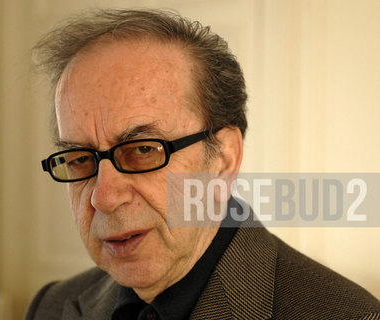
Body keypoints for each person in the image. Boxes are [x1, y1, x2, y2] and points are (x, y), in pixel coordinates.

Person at [25, 9, 380, 320]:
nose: (104, 198)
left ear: (224, 160)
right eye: (81, 159)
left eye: (144, 150)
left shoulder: (351, 315)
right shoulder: (51, 307)